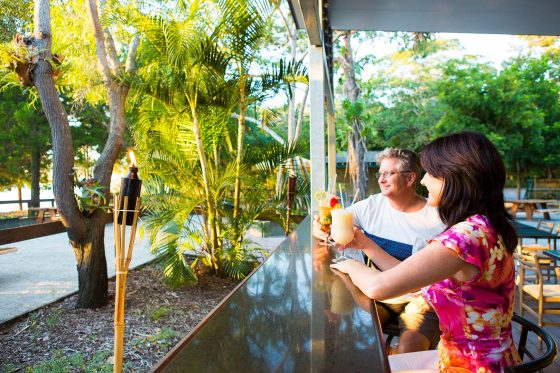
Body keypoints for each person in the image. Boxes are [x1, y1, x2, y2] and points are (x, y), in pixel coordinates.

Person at [331, 131, 521, 372]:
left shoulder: (462, 238)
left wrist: (347, 264)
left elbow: (377, 286)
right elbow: (407, 277)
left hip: (468, 366)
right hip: (494, 359)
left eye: (431, 173)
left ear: (454, 177)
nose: (423, 181)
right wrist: (365, 245)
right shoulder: (487, 227)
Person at [313, 148, 446, 353]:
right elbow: (334, 221)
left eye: (389, 174)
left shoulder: (437, 219)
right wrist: (321, 226)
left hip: (420, 300)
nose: (382, 179)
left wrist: (365, 247)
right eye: (380, 173)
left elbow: (416, 281)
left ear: (410, 178)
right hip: (376, 295)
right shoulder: (372, 206)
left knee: (409, 349)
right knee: (349, 337)